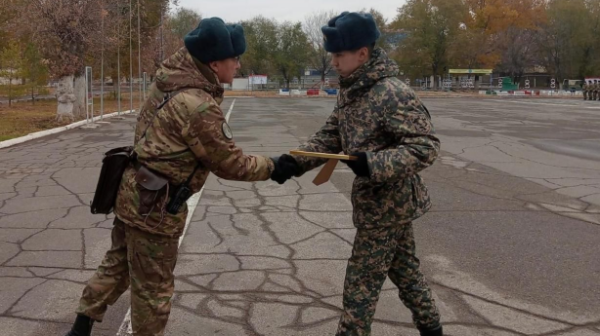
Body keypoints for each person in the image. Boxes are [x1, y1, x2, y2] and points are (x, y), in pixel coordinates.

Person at [64, 17, 296, 336]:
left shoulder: (167, 83)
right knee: (152, 290)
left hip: (133, 192)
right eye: (235, 59)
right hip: (156, 207)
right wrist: (275, 166)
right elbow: (231, 164)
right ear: (214, 64)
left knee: (118, 265)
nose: (239, 66)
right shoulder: (198, 105)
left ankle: (79, 328)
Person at [276, 11, 444, 336]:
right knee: (406, 271)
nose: (334, 62)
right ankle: (432, 327)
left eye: (339, 55)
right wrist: (294, 161)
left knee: (361, 283)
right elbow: (332, 134)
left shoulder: (391, 93)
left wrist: (373, 163)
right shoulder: (352, 89)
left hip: (388, 207)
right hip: (375, 206)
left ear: (362, 54)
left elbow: (426, 146)